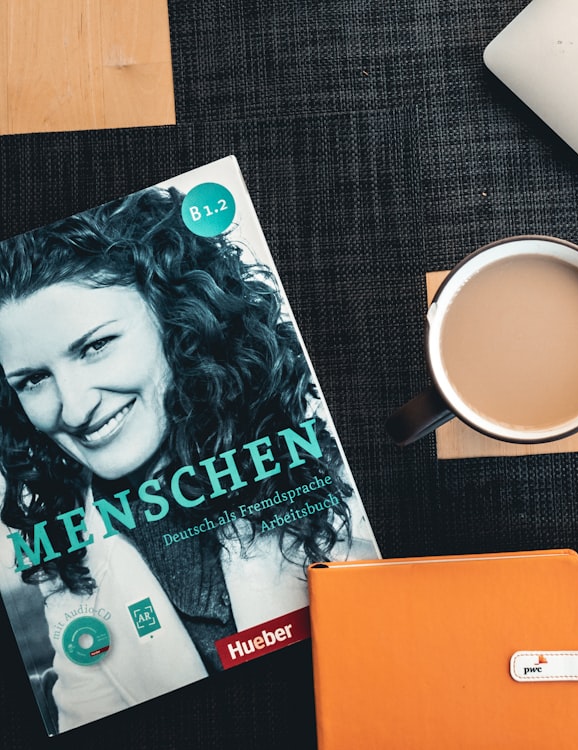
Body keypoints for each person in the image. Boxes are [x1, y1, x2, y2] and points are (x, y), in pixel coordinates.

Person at [0, 185, 376, 731]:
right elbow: (89, 706)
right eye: (33, 380)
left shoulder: (323, 438)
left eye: (96, 346)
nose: (75, 408)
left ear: (176, 319)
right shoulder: (70, 554)